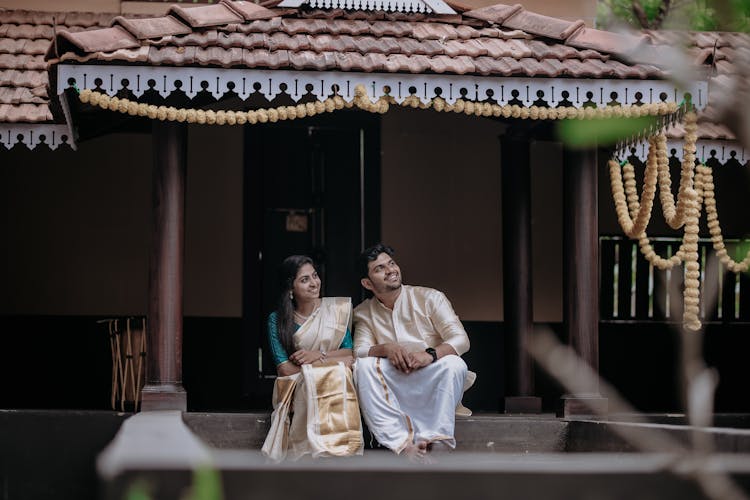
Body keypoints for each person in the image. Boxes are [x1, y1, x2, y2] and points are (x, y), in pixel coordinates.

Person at [353, 243, 474, 460]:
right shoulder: (363, 312)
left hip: (431, 377)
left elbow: (461, 340)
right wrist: (387, 348)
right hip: (394, 384)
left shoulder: (430, 298)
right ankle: (400, 442)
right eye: (380, 268)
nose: (391, 270)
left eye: (391, 263)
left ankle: (435, 438)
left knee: (455, 364)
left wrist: (430, 355)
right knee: (363, 366)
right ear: (367, 283)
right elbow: (360, 351)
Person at [261, 255, 363, 461]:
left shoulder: (336, 312)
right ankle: (310, 453)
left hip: (336, 380)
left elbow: (350, 355)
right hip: (297, 384)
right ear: (290, 289)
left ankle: (339, 450)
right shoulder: (278, 320)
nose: (314, 283)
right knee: (326, 376)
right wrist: (330, 365)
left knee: (338, 374)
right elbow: (285, 369)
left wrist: (317, 357)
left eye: (314, 276)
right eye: (304, 279)